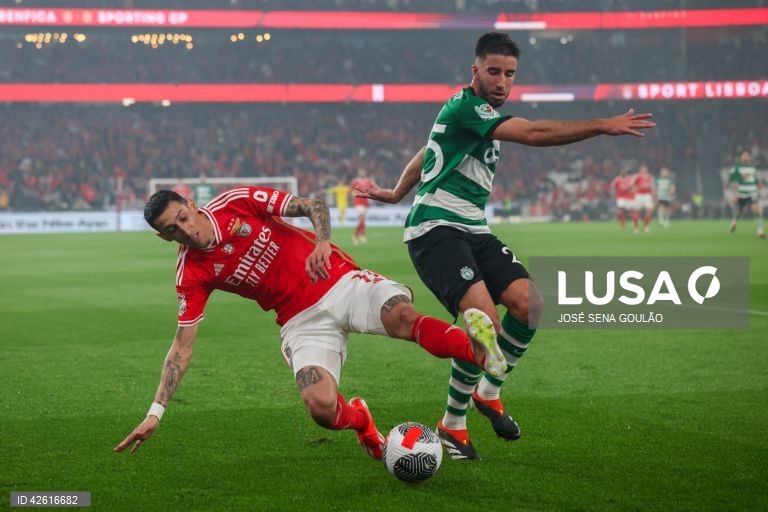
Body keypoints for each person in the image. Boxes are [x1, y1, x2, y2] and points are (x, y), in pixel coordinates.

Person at [354, 31, 655, 460]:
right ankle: (452, 426)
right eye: (493, 71)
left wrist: (396, 190)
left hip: (475, 229)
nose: (501, 80)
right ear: (474, 70)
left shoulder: (474, 116)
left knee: (530, 305)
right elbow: (532, 134)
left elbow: (428, 149)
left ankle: (488, 392)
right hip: (436, 228)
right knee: (484, 323)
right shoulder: (468, 106)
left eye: (509, 74)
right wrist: (602, 125)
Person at [114, 186, 507, 460]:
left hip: (337, 280)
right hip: (299, 320)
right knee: (320, 406)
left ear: (193, 204)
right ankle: (365, 425)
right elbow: (182, 346)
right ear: (165, 238)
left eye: (183, 217)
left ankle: (477, 349)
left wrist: (321, 241)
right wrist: (156, 411)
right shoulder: (190, 273)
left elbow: (311, 206)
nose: (186, 230)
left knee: (402, 315)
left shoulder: (237, 202)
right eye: (172, 230)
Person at [728, 149, 765, 239]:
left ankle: (760, 230)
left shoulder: (752, 167)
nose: (745, 157)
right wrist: (740, 178)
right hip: (742, 193)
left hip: (752, 192)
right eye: (744, 155)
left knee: (755, 208)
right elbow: (731, 178)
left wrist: (758, 183)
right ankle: (734, 221)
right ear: (741, 157)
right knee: (740, 211)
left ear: (750, 157)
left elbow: (754, 178)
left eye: (747, 155)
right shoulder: (737, 167)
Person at [349, 168, 373, 245]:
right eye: (361, 172)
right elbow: (350, 190)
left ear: (365, 173)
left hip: (366, 203)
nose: (362, 173)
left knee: (362, 220)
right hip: (358, 202)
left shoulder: (369, 181)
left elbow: (372, 190)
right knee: (362, 219)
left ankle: (360, 235)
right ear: (358, 173)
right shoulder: (355, 181)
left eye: (363, 172)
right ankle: (357, 235)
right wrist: (352, 195)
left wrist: (371, 198)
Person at [632, 164, 655, 233]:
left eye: (645, 170)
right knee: (636, 211)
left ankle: (646, 226)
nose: (643, 171)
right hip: (639, 195)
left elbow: (652, 186)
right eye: (642, 170)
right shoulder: (637, 177)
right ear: (640, 171)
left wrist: (653, 194)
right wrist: (635, 189)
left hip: (647, 196)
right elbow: (632, 186)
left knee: (649, 211)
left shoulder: (650, 177)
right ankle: (636, 227)